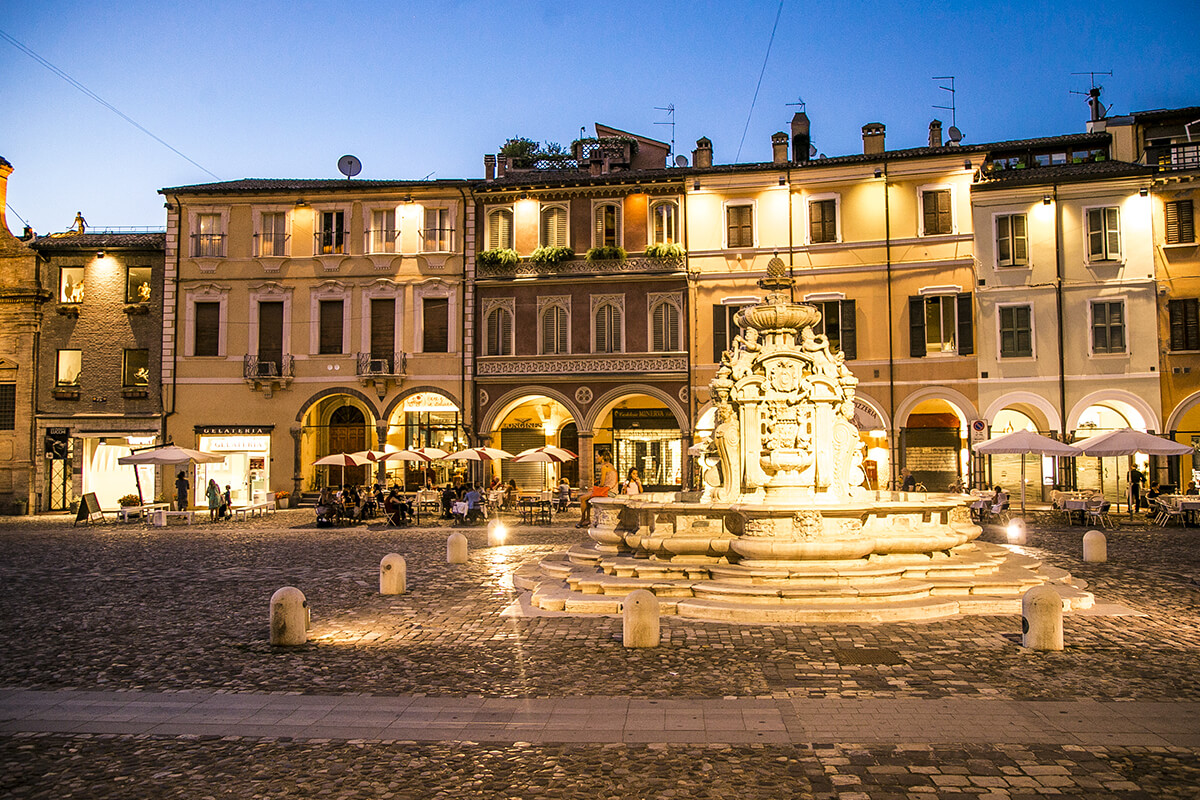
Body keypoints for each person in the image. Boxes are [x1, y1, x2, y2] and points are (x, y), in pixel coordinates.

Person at [577, 450, 618, 528]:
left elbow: (602, 484)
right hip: (612, 490)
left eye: (597, 456)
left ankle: (583, 519)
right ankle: (587, 519)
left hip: (609, 491)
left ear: (602, 457)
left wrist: (595, 488)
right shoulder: (610, 465)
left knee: (582, 498)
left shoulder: (604, 467)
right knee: (587, 497)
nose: (596, 458)